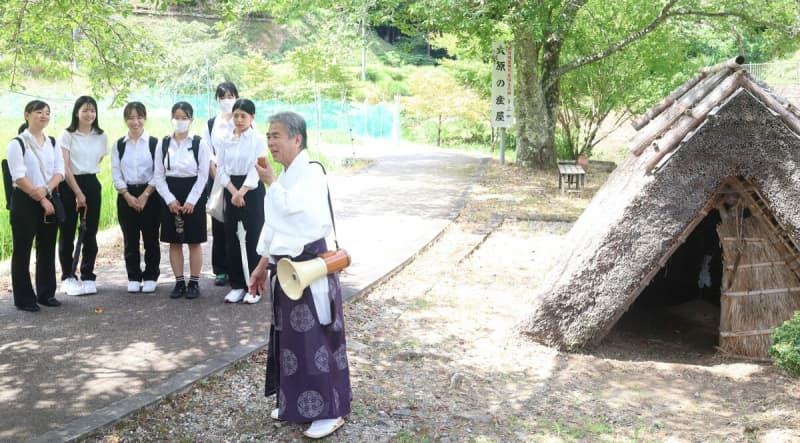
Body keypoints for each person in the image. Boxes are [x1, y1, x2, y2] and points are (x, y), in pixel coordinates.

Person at [249, 111, 351, 439]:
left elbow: (301, 218)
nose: (271, 142)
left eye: (277, 135)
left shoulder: (311, 173)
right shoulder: (288, 175)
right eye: (268, 136)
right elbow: (275, 223)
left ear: (297, 139)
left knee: (315, 341)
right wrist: (262, 264)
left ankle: (329, 411)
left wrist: (270, 184)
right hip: (286, 269)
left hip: (309, 268)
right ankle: (295, 403)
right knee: (290, 341)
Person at [6, 100, 65, 312]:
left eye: (47, 113)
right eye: (38, 112)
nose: (43, 116)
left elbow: (60, 172)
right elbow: (18, 176)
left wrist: (46, 191)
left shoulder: (53, 142)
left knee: (47, 248)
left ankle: (46, 294)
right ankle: (24, 299)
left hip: (47, 196)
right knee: (22, 250)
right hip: (25, 201)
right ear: (27, 115)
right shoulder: (17, 143)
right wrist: (41, 198)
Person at [153, 101, 210, 299]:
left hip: (193, 192)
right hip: (170, 193)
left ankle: (194, 282)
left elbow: (203, 175)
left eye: (184, 118)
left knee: (194, 241)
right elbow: (158, 175)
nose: (180, 121)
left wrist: (192, 200)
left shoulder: (199, 143)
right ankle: (179, 282)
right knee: (174, 241)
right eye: (176, 117)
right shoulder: (164, 143)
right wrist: (169, 199)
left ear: (191, 120)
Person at [215, 99, 266, 304]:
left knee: (253, 236)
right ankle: (237, 284)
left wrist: (242, 191)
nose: (239, 119)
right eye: (236, 115)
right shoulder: (226, 138)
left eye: (243, 115)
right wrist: (233, 191)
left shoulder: (257, 139)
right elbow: (220, 167)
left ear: (252, 117)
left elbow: (258, 167)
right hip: (231, 189)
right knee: (232, 236)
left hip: (251, 191)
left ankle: (254, 287)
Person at [57, 96, 108, 296]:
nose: (89, 114)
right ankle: (68, 277)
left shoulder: (101, 135)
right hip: (69, 184)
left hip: (91, 183)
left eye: (93, 110)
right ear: (76, 112)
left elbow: (100, 158)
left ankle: (88, 275)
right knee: (67, 233)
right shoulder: (67, 134)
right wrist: (78, 191)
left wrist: (85, 189)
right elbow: (64, 165)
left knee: (90, 233)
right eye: (85, 110)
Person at [111, 102, 160, 293]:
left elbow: (159, 172)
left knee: (150, 238)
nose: (135, 121)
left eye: (139, 117)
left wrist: (146, 195)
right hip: (126, 195)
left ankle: (150, 275)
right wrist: (127, 195)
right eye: (130, 117)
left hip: (151, 194)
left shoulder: (154, 143)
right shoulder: (119, 145)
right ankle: (133, 276)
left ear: (145, 118)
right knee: (130, 239)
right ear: (125, 120)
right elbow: (116, 172)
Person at [204, 81, 239, 288]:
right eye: (223, 97)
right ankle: (221, 270)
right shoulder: (210, 124)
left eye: (230, 96)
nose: (227, 100)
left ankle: (239, 266)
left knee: (238, 223)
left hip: (238, 176)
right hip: (216, 176)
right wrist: (219, 178)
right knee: (219, 223)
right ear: (217, 100)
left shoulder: (242, 120)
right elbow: (208, 154)